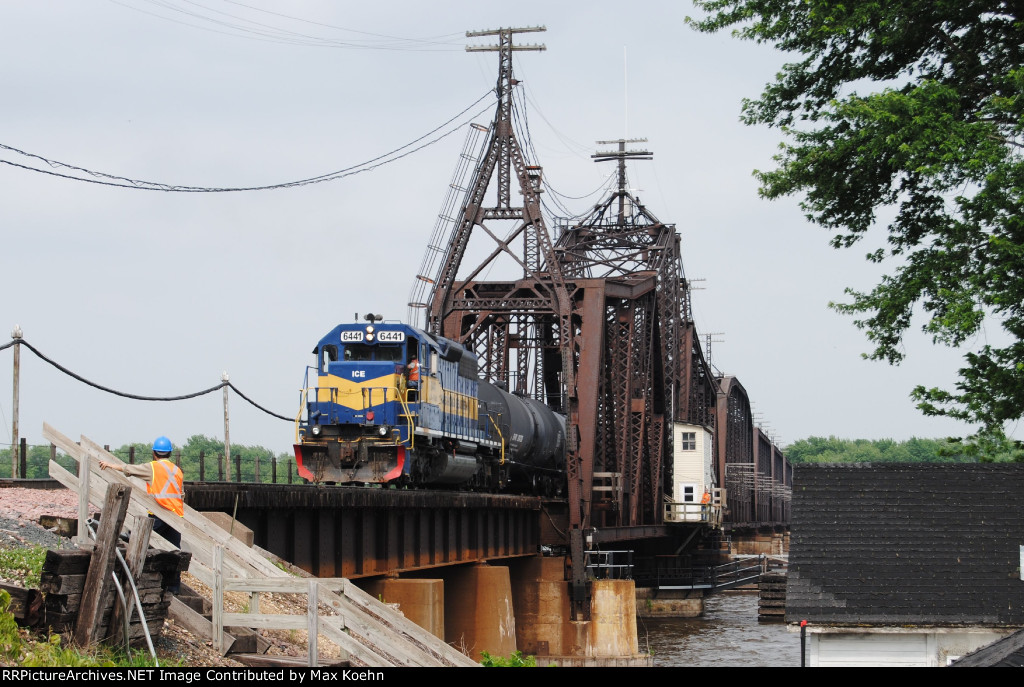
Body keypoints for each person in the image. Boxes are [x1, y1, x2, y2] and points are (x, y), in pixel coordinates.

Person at [99, 435, 183, 592]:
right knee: (174, 552)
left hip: (160, 512)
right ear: (169, 453)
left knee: (139, 539)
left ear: (154, 453)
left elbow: (129, 469)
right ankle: (173, 588)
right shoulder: (177, 470)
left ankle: (137, 580)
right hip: (176, 515)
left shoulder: (153, 467)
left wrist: (109, 465)